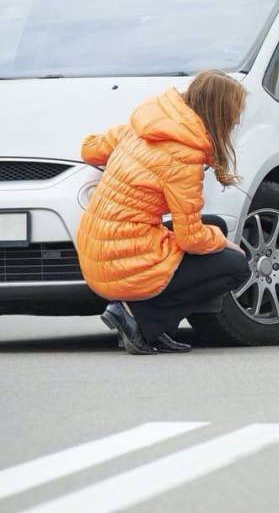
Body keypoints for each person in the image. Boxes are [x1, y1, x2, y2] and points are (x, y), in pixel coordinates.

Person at [76, 70, 252, 355]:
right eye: (234, 114)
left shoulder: (147, 123)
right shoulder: (184, 155)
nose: (234, 122)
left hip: (96, 245)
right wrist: (223, 241)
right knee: (236, 266)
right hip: (122, 258)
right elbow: (191, 238)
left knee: (215, 225)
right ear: (219, 114)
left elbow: (89, 149)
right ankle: (140, 318)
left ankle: (150, 325)